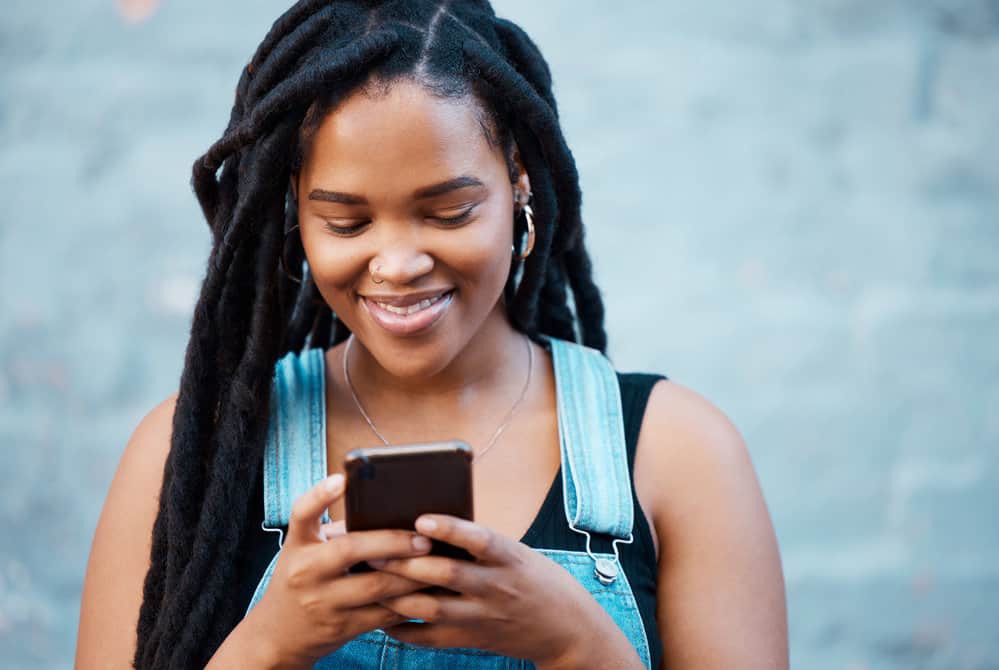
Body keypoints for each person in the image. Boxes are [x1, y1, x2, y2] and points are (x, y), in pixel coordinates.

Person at [76, 1, 788, 668]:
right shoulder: (187, 451)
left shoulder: (680, 453)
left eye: (448, 213)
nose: (398, 264)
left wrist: (578, 644)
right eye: (346, 222)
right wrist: (269, 644)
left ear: (518, 183)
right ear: (294, 211)